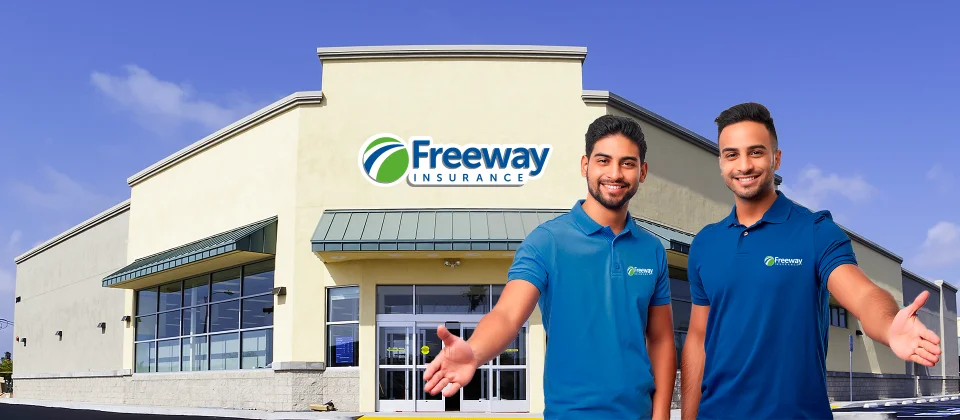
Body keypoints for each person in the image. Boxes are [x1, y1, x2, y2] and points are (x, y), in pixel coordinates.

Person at [680, 102, 942, 420]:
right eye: (732, 154)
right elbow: (697, 338)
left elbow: (862, 294)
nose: (744, 165)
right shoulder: (706, 244)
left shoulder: (815, 231)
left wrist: (889, 326)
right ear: (721, 163)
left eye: (756, 152)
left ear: (776, 158)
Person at [422, 114, 677, 419]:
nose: (615, 173)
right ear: (586, 165)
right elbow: (506, 315)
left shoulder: (651, 250)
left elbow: (661, 339)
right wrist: (475, 352)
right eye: (603, 161)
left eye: (627, 163)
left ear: (642, 171)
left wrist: (661, 415)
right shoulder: (547, 241)